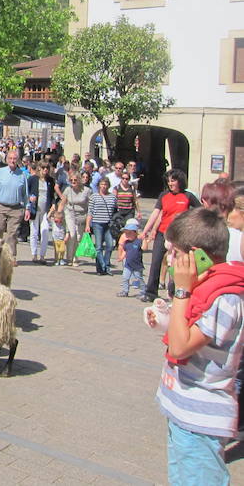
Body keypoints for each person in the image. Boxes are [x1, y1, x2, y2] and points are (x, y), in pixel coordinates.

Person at [152, 208, 244, 486]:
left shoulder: (225, 298)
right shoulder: (207, 289)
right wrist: (166, 319)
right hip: (185, 415)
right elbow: (186, 334)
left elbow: (181, 348)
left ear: (196, 255)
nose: (170, 258)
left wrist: (182, 291)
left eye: (175, 252)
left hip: (201, 421)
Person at [140, 170, 201, 303]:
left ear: (180, 181)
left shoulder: (188, 196)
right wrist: (145, 231)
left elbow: (200, 212)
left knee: (175, 264)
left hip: (179, 236)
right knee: (155, 262)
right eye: (168, 180)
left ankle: (174, 292)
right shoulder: (163, 195)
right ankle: (151, 292)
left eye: (173, 180)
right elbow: (156, 214)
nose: (170, 183)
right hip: (162, 233)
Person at [0, 150, 30, 261]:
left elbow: (25, 194)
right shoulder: (0, 172)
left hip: (15, 208)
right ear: (7, 160)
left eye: (15, 159)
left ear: (18, 160)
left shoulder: (22, 175)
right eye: (10, 158)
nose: (12, 161)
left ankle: (11, 257)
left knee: (12, 233)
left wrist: (27, 207)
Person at [27, 160, 57, 265]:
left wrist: (53, 204)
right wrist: (29, 199)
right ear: (39, 168)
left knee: (44, 231)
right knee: (34, 232)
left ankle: (42, 255)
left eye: (47, 168)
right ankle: (34, 254)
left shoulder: (50, 180)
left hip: (46, 210)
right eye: (43, 168)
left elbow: (52, 195)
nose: (45, 170)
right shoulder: (32, 179)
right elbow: (27, 192)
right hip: (35, 209)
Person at [86, 177, 118, 275]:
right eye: (102, 184)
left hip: (108, 224)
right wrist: (87, 225)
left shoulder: (113, 197)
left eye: (105, 184)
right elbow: (90, 212)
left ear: (108, 186)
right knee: (98, 247)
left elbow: (116, 211)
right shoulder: (94, 196)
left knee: (110, 245)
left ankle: (106, 265)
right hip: (97, 223)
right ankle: (102, 267)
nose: (104, 186)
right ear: (99, 185)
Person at [61, 170, 91, 266]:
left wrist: (88, 222)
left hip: (82, 215)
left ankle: (75, 257)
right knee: (72, 235)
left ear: (79, 180)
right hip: (70, 213)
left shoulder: (87, 191)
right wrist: (58, 213)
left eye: (75, 180)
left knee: (78, 238)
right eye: (71, 180)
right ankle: (69, 257)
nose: (73, 182)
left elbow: (90, 206)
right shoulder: (67, 190)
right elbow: (63, 202)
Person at [115, 219, 144, 297]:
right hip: (128, 264)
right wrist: (121, 257)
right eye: (126, 233)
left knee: (139, 278)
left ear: (135, 233)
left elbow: (144, 248)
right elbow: (125, 251)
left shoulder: (138, 241)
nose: (127, 235)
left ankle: (143, 291)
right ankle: (125, 291)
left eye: (129, 233)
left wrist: (146, 241)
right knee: (125, 277)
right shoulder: (126, 242)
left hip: (137, 265)